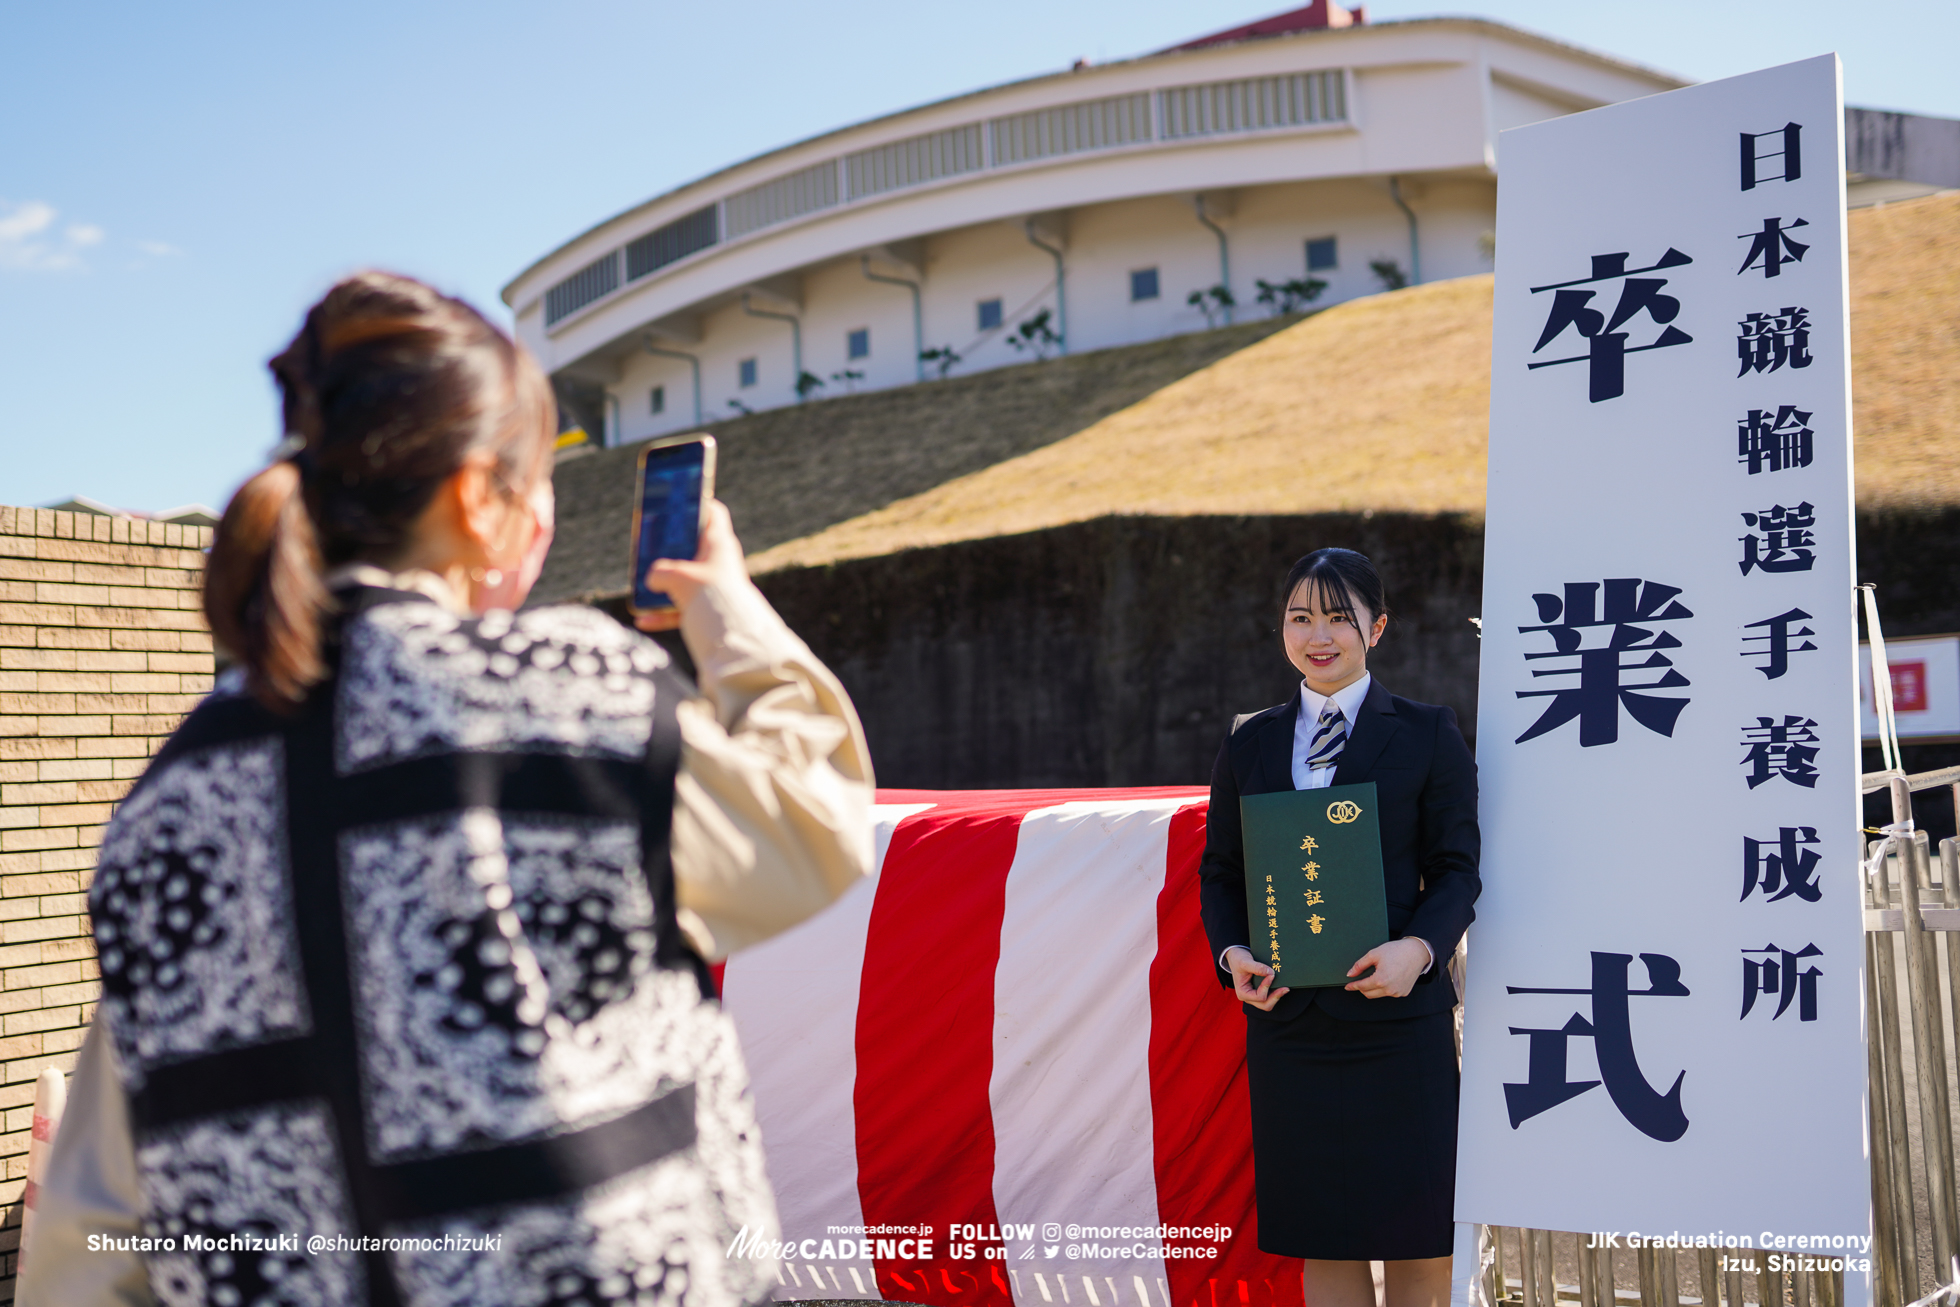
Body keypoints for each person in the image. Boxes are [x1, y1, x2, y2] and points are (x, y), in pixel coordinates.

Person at [21, 271, 875, 1306]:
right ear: (478, 497)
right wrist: (728, 612)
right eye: (538, 478)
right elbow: (815, 823)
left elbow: (99, 1219)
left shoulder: (168, 795)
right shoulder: (567, 696)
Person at [1197, 548, 1479, 1307]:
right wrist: (1233, 955)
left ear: (1376, 627)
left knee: (1424, 1236)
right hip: (1292, 1022)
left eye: (1337, 617)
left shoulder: (1426, 732)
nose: (1317, 634)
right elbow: (1222, 870)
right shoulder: (1250, 740)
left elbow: (1457, 870)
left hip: (1399, 1020)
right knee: (1323, 1239)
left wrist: (1417, 950)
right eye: (1299, 617)